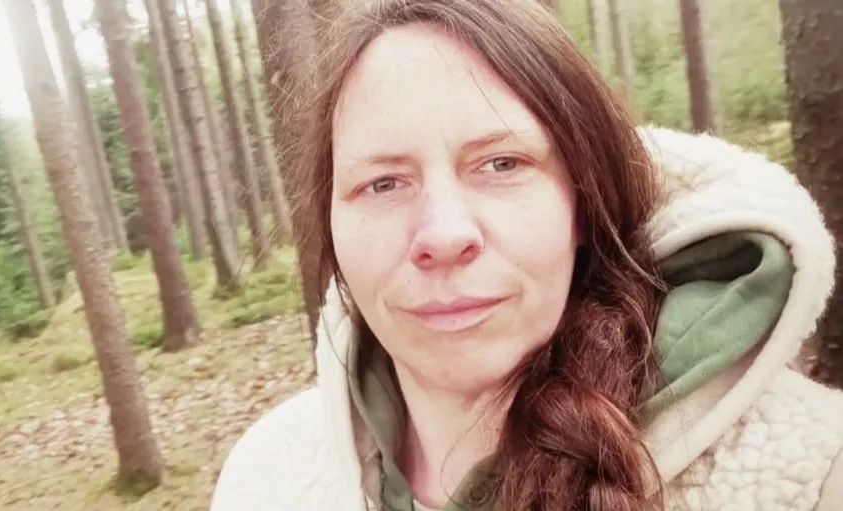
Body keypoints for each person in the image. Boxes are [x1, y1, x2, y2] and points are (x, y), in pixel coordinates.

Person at [209, 0, 843, 509]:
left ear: (583, 203)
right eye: (383, 183)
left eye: (501, 164)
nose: (443, 235)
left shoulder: (817, 474)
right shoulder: (265, 475)